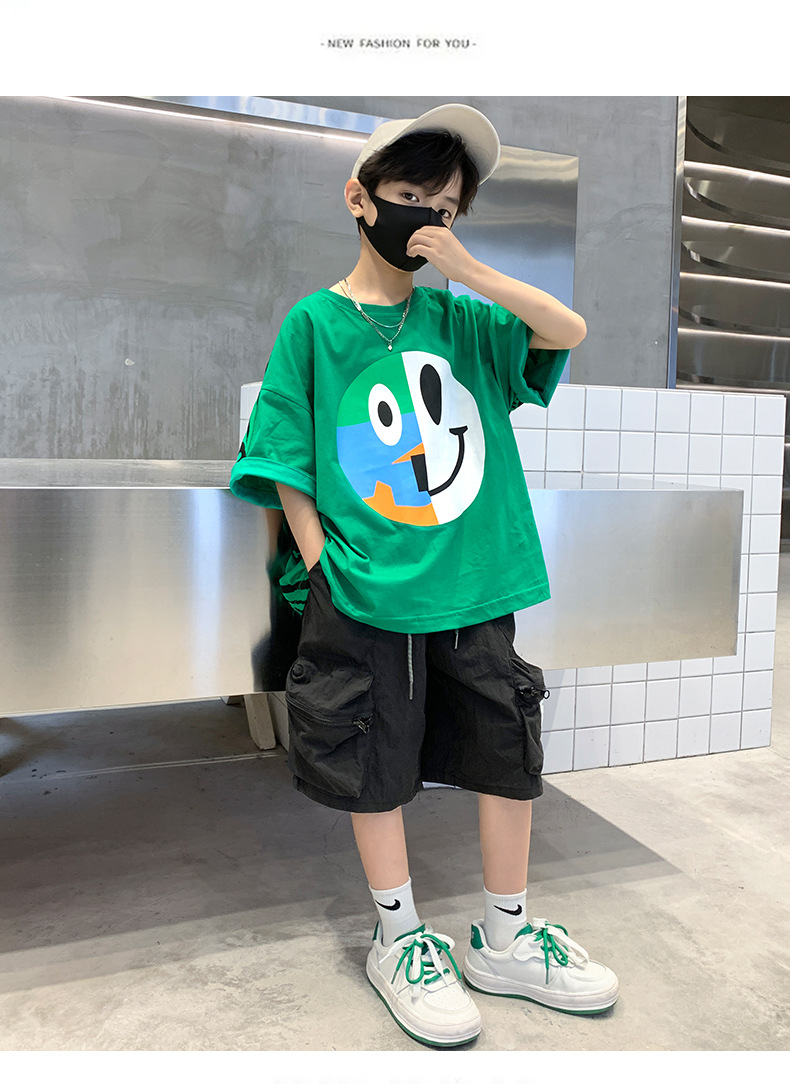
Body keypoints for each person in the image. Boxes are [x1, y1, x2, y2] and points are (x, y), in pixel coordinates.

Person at [230, 104, 618, 1048]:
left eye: (446, 207)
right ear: (359, 199)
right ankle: (400, 937)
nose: (428, 220)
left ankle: (506, 938)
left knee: (505, 753)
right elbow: (283, 457)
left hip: (476, 579)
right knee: (373, 760)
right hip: (366, 588)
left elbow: (565, 327)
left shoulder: (464, 318)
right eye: (409, 197)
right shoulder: (316, 323)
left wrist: (468, 269)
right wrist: (322, 563)